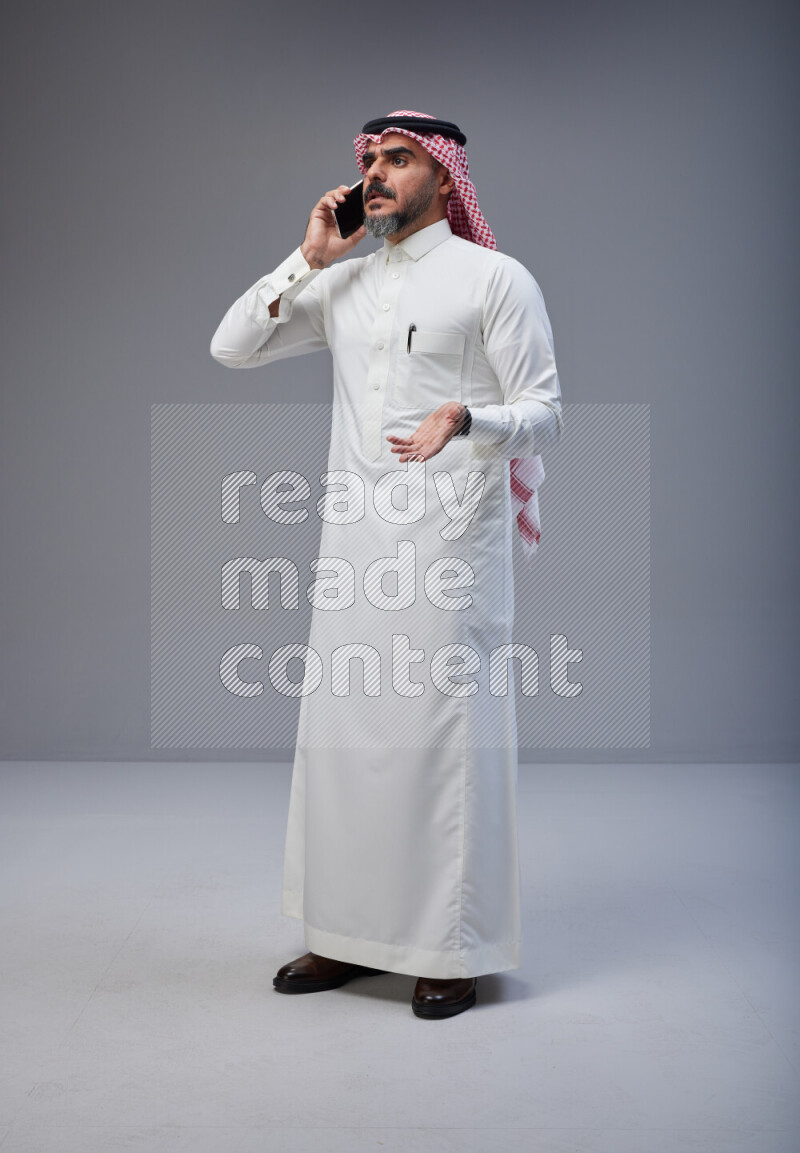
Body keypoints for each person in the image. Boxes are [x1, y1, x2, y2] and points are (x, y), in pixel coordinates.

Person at [210, 111, 564, 1019]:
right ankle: (343, 935)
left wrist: (469, 420)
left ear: (445, 179)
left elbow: (545, 409)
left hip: (450, 549)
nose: (375, 175)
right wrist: (308, 260)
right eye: (368, 160)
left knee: (442, 745)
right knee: (347, 746)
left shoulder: (495, 278)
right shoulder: (344, 284)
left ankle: (450, 947)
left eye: (398, 160)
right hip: (353, 552)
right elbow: (232, 346)